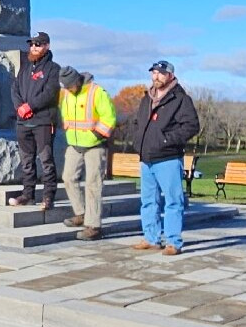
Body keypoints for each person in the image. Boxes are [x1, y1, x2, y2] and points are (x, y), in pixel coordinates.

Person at [129, 60, 200, 255]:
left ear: (169, 75)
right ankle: (151, 238)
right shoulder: (147, 97)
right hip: (147, 158)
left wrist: (167, 140)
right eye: (153, 73)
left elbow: (191, 126)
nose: (156, 77)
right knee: (148, 201)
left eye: (160, 73)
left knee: (173, 201)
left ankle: (173, 242)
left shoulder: (180, 99)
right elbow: (138, 123)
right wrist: (138, 142)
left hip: (168, 158)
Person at [58, 66, 117, 241]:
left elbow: (109, 117)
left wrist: (96, 135)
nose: (67, 89)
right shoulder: (67, 93)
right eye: (65, 87)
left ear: (76, 81)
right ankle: (81, 213)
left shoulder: (96, 92)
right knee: (68, 177)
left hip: (95, 145)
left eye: (69, 86)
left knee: (93, 184)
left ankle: (93, 226)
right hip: (74, 144)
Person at [9, 31, 61, 209]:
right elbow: (14, 88)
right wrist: (20, 107)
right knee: (26, 161)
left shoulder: (53, 69)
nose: (33, 47)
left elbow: (50, 93)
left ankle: (48, 197)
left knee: (46, 160)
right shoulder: (25, 68)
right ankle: (27, 194)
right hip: (23, 122)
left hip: (43, 121)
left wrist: (30, 106)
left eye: (37, 44)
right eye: (31, 44)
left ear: (46, 46)